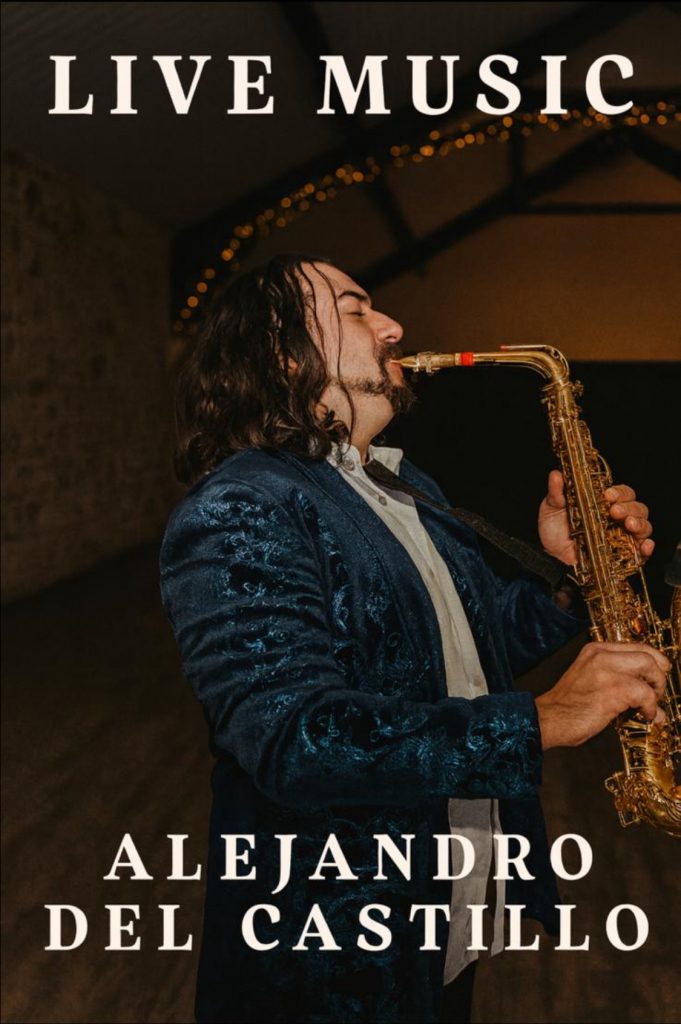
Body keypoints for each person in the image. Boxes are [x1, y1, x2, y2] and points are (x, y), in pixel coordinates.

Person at [159, 253, 666, 1024]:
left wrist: (569, 576)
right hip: (335, 954)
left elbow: (463, 655)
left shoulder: (404, 485)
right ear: (277, 349)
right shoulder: (240, 506)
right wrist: (544, 719)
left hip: (443, 908)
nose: (393, 325)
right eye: (356, 307)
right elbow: (295, 740)